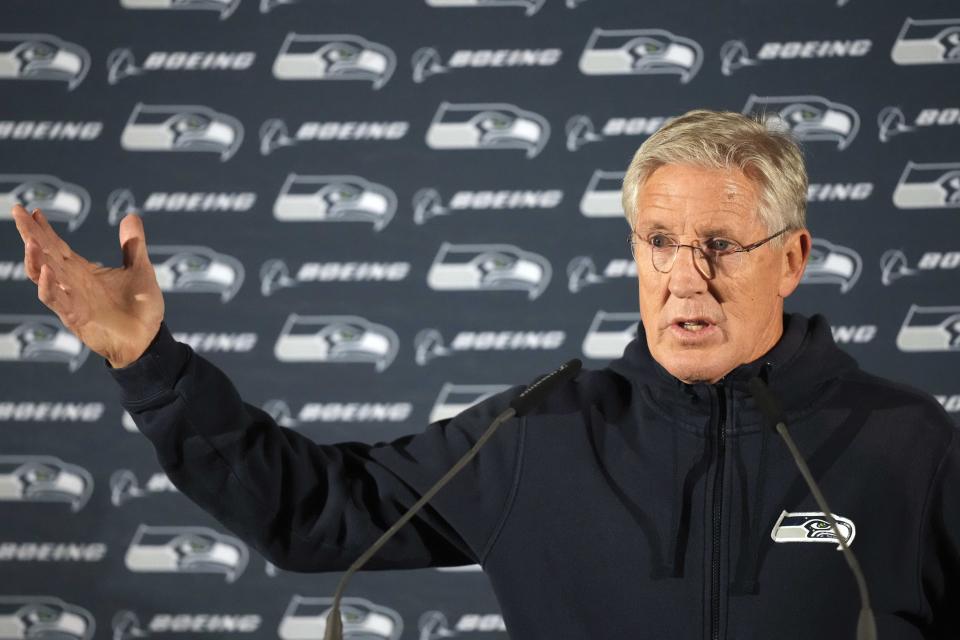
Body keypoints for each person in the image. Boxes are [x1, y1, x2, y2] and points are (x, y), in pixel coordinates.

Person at [10, 109, 958, 639]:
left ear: (791, 260)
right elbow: (311, 512)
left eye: (719, 245)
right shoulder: (539, 436)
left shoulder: (908, 448)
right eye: (659, 243)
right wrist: (149, 361)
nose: (684, 279)